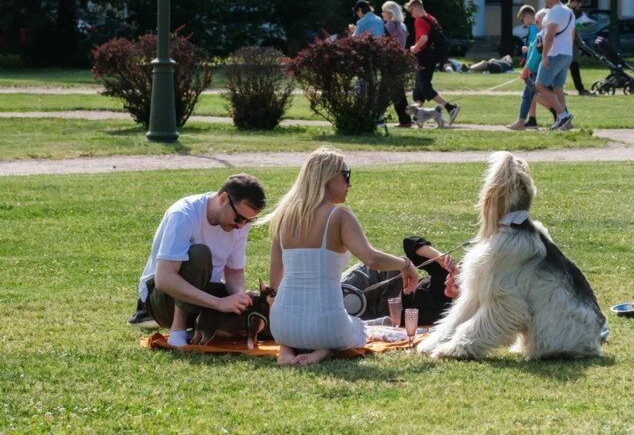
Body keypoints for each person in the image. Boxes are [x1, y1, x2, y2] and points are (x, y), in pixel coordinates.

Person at [264, 146, 419, 366]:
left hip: (281, 326)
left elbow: (274, 285)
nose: (350, 184)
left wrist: (284, 321)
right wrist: (406, 264)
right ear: (328, 178)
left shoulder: (283, 217)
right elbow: (372, 259)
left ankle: (286, 350)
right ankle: (323, 351)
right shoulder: (339, 216)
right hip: (327, 325)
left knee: (308, 325)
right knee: (358, 328)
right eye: (346, 176)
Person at [129, 174, 267, 348]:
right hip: (164, 299)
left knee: (261, 316)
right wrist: (219, 303)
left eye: (248, 221)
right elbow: (163, 279)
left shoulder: (239, 225)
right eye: (239, 218)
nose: (241, 226)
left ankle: (200, 329)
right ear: (223, 199)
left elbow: (234, 272)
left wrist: (238, 298)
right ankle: (178, 330)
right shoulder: (183, 214)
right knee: (199, 254)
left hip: (207, 295)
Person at [341, 236, 460, 326]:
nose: (446, 282)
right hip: (385, 283)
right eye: (450, 276)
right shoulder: (443, 275)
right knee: (337, 295)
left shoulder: (463, 314)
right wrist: (438, 256)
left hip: (384, 318)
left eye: (455, 285)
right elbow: (410, 243)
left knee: (342, 320)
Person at [404, 0, 461, 125]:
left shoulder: (419, 21)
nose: (411, 14)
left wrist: (414, 48)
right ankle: (417, 117)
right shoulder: (431, 18)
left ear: (416, 7)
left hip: (425, 56)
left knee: (424, 86)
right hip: (433, 55)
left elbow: (424, 38)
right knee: (419, 85)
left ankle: (450, 108)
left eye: (411, 11)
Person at [535, 0, 576, 130]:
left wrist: (544, 55)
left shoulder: (554, 12)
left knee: (539, 85)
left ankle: (563, 115)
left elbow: (550, 35)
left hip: (555, 54)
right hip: (567, 53)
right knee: (558, 88)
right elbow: (572, 34)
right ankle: (564, 121)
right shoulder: (569, 12)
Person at [506, 8, 551, 130]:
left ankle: (560, 114)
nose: (522, 21)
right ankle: (530, 119)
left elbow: (536, 52)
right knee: (534, 95)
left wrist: (527, 68)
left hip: (535, 68)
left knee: (531, 95)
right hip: (538, 68)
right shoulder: (547, 33)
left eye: (522, 18)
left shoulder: (538, 32)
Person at [381, 0, 413, 128]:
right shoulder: (402, 26)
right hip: (399, 61)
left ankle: (377, 117)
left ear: (390, 13)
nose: (382, 14)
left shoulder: (389, 26)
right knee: (397, 92)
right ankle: (405, 120)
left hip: (390, 62)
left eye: (384, 11)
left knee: (386, 91)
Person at [566, 0, 596, 96]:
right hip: (568, 45)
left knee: (564, 67)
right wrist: (580, 42)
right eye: (578, 5)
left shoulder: (563, 10)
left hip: (568, 43)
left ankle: (557, 88)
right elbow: (573, 30)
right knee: (574, 66)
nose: (578, 8)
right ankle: (580, 89)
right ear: (574, 2)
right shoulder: (569, 12)